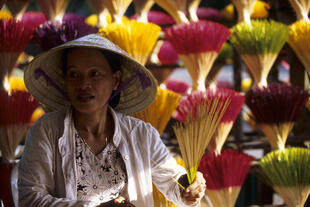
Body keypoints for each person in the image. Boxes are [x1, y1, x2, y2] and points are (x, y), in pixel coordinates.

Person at [18, 34, 206, 207]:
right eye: (74, 74)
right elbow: (30, 198)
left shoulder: (141, 134)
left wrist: (189, 185)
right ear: (65, 81)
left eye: (95, 74)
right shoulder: (47, 130)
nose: (83, 84)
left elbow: (172, 180)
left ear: (115, 80)